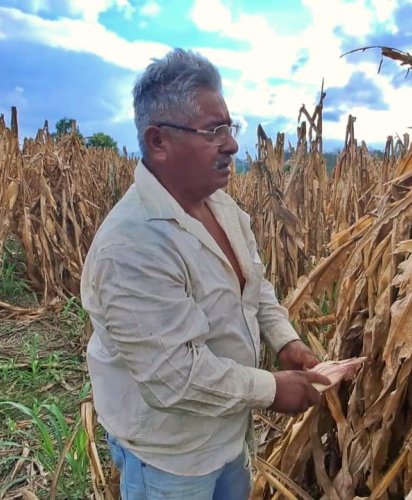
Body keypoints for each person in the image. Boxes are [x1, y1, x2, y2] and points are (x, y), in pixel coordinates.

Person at [80, 48, 330, 499]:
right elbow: (174, 377)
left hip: (227, 436)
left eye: (228, 127)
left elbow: (256, 286)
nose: (231, 143)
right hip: (170, 460)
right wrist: (273, 390)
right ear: (158, 142)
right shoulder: (131, 246)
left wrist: (286, 342)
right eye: (213, 131)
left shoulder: (222, 206)